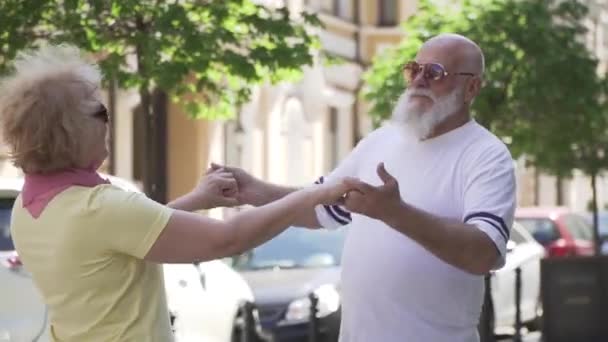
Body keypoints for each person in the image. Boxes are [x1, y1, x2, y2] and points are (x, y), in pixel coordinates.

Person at [0, 44, 354, 342]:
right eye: (99, 110)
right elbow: (227, 239)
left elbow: (125, 238)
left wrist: (198, 199)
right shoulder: (98, 208)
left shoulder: (29, 208)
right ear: (70, 132)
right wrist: (311, 197)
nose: (106, 120)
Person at [215, 33, 517, 342]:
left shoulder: (486, 155)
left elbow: (484, 253)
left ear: (472, 87)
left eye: (435, 72)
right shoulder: (381, 141)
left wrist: (394, 213)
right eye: (414, 69)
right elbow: (320, 206)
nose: (419, 81)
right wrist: (255, 191)